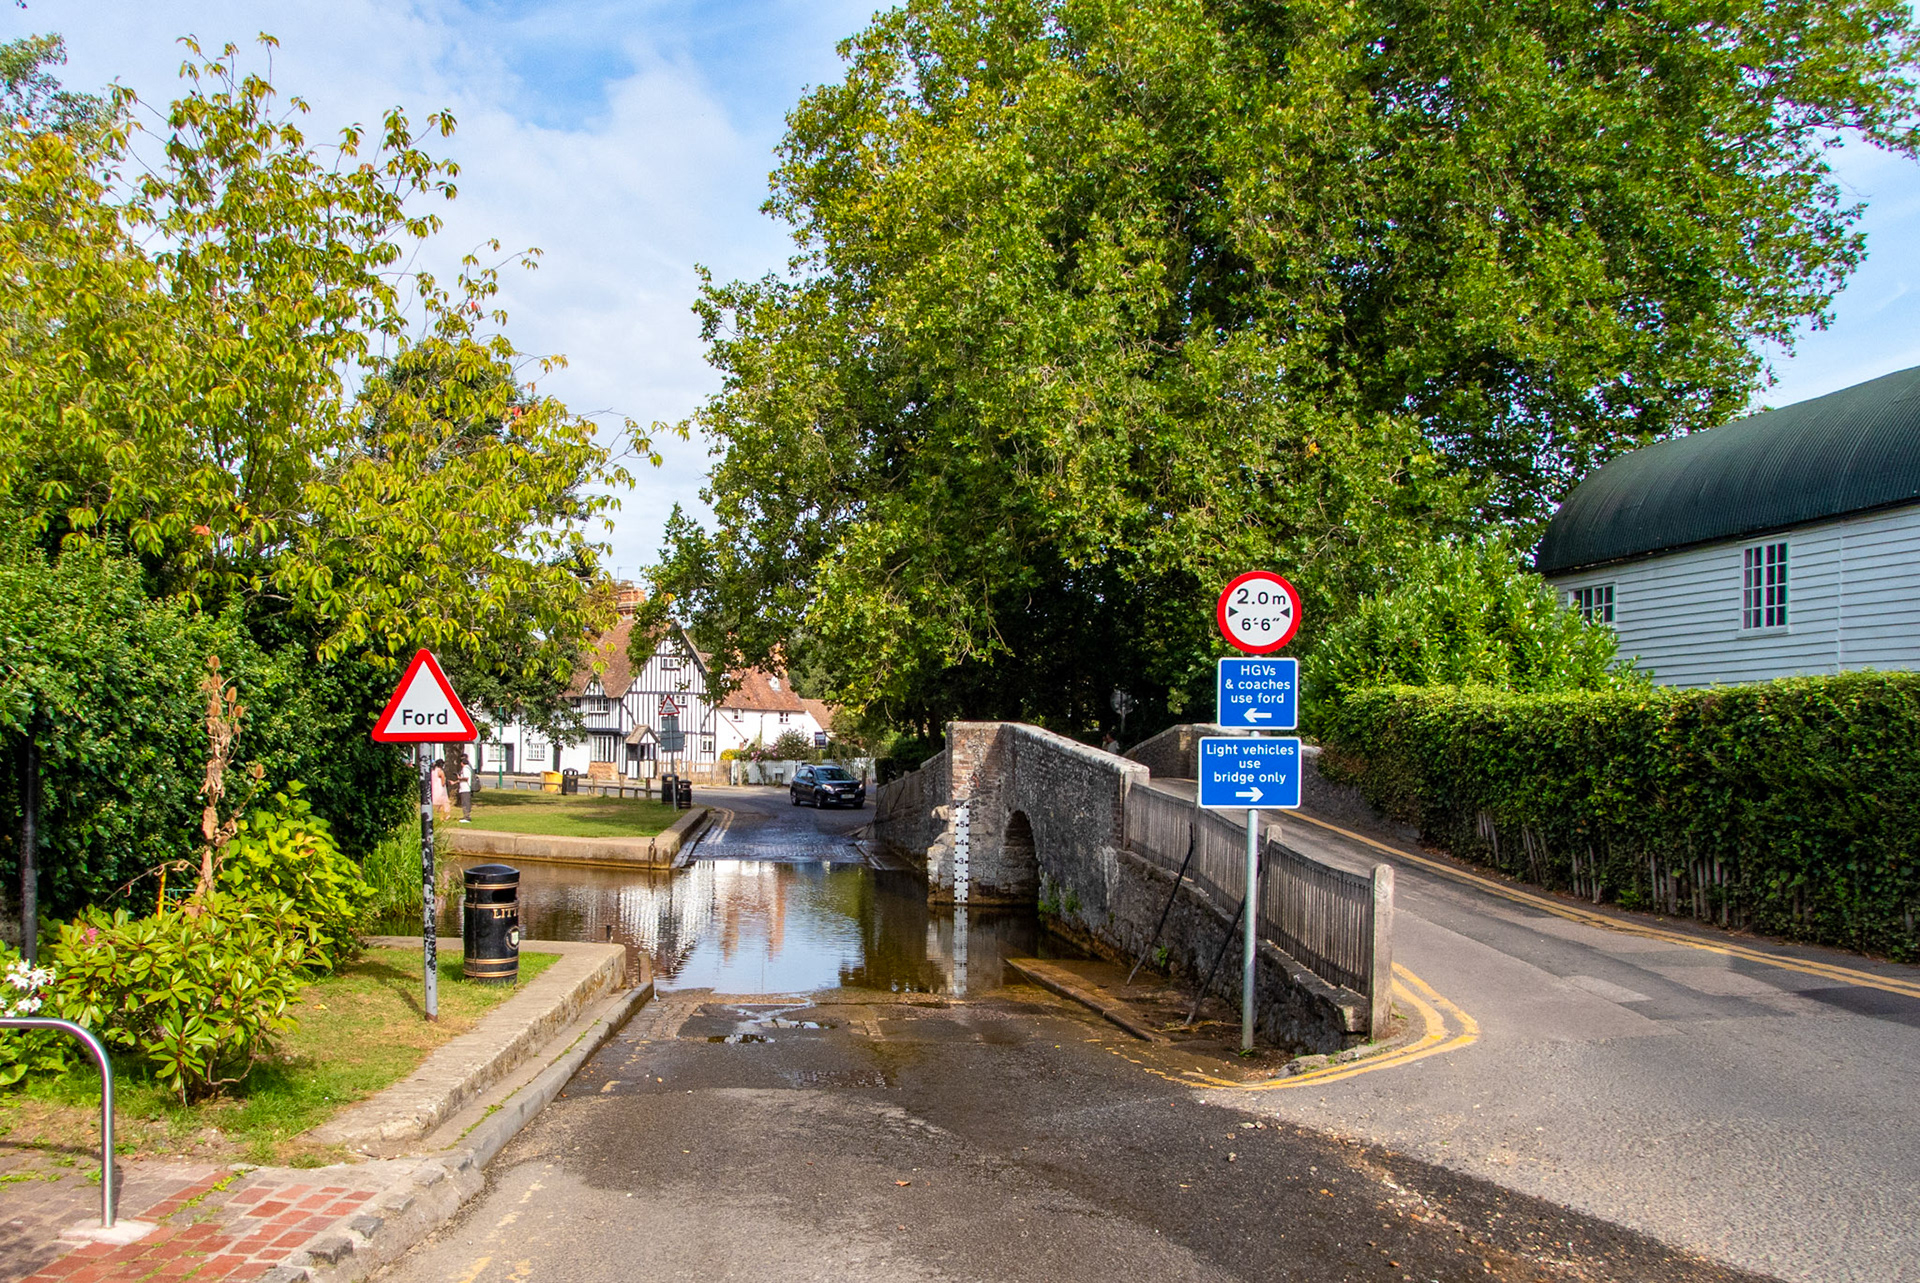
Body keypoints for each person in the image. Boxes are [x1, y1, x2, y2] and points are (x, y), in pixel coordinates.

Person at [458, 756, 474, 823]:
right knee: (464, 802)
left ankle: (467, 817)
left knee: (465, 803)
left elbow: (466, 778)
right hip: (464, 788)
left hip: (465, 788)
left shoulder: (465, 768)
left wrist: (459, 778)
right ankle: (465, 816)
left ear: (462, 763)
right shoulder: (467, 768)